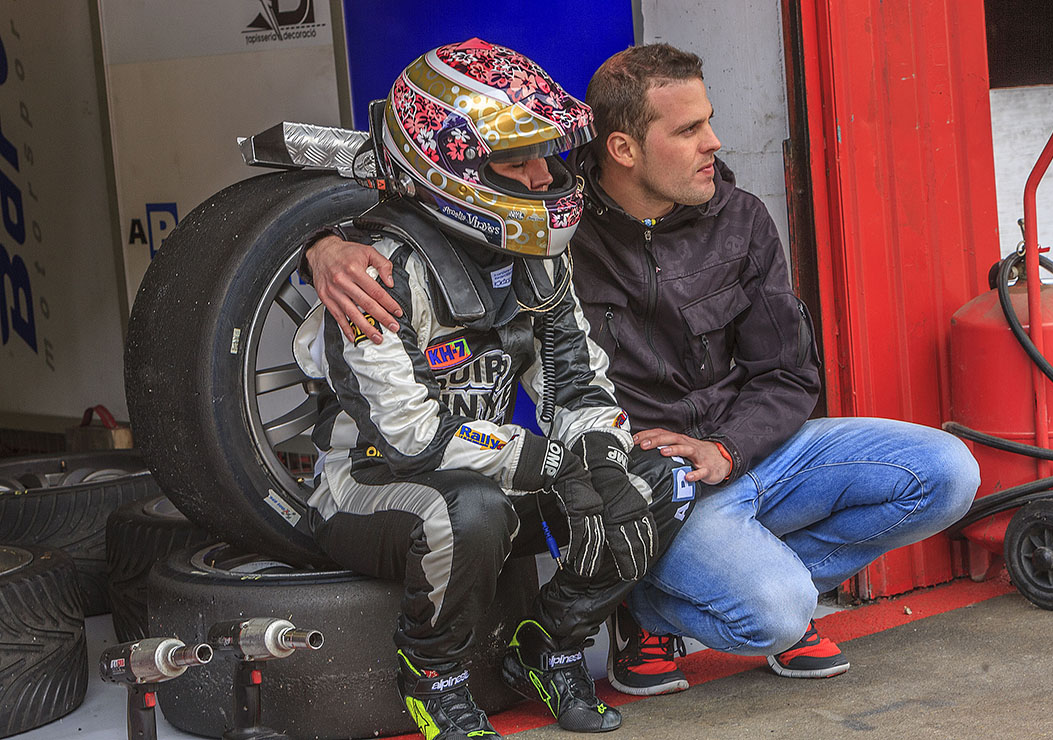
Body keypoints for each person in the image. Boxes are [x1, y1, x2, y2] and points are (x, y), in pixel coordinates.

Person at [306, 42, 980, 699]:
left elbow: (790, 375)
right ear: (624, 149)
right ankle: (673, 606)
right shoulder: (553, 237)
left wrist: (728, 448)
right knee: (775, 612)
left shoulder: (739, 218)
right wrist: (323, 242)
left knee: (950, 473)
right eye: (689, 129)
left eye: (708, 121)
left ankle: (713, 585)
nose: (715, 142)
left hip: (747, 452)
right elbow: (400, 190)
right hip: (654, 475)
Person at [293, 39, 693, 740]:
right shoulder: (374, 273)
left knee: (651, 479)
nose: (543, 177)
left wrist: (596, 456)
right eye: (518, 159)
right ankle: (433, 680)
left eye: (546, 154)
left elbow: (577, 380)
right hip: (366, 484)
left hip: (483, 463)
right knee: (468, 512)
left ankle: (551, 645)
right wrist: (553, 465)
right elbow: (409, 437)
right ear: (445, 168)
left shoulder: (538, 260)